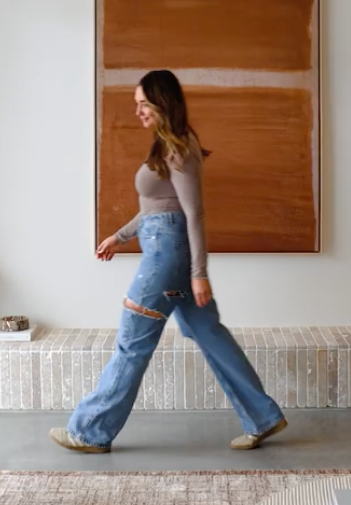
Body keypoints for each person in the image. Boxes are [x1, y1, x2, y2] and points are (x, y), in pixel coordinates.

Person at [50, 69, 287, 453]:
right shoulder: (167, 146)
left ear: (163, 102)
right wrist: (119, 236)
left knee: (132, 340)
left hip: (168, 257)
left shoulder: (179, 148)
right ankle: (263, 416)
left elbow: (194, 214)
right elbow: (156, 209)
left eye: (144, 103)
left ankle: (89, 432)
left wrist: (199, 273)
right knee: (208, 333)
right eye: (137, 104)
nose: (139, 111)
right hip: (165, 248)